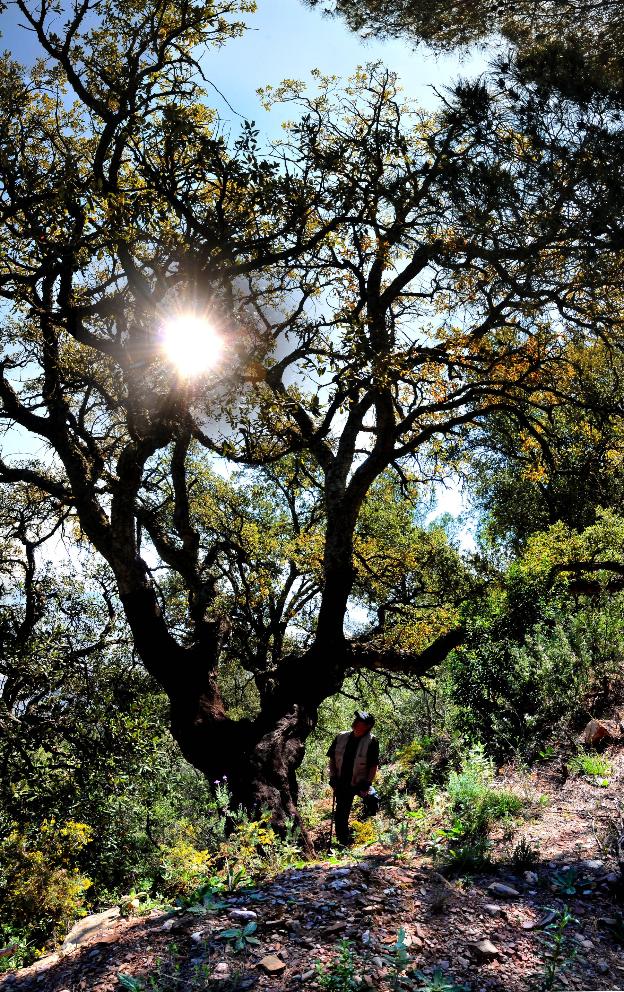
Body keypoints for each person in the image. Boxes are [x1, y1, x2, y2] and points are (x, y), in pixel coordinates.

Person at [327, 710, 379, 846]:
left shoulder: (372, 741)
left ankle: (367, 830)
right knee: (341, 814)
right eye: (356, 720)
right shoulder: (340, 737)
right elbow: (332, 759)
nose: (356, 723)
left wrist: (367, 784)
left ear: (367, 726)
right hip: (342, 782)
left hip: (361, 782)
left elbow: (374, 766)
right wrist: (333, 777)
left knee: (373, 800)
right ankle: (343, 842)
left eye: (360, 722)